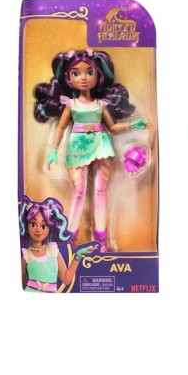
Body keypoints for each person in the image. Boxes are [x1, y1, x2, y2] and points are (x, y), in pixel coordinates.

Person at [34, 48, 147, 251]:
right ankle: (69, 236)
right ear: (69, 77)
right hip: (77, 148)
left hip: (102, 145)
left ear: (98, 75)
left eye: (89, 72)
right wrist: (53, 150)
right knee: (79, 191)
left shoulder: (100, 104)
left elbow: (113, 127)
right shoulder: (71, 104)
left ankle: (101, 238)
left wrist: (133, 125)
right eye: (76, 73)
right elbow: (60, 128)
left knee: (101, 190)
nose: (84, 78)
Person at [19, 197, 95, 293]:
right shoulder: (26, 255)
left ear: (49, 229)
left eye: (43, 226)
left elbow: (66, 279)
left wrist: (78, 255)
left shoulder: (53, 251)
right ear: (26, 227)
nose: (38, 229)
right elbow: (21, 284)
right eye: (33, 224)